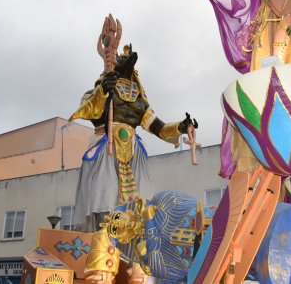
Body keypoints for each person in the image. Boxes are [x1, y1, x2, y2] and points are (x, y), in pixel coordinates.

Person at [69, 45, 198, 231]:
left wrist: (180, 126)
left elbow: (158, 128)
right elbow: (90, 112)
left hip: (132, 151)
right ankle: (103, 239)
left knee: (139, 201)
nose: (126, 60)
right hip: (106, 147)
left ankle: (133, 242)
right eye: (121, 58)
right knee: (104, 194)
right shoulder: (96, 91)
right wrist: (103, 91)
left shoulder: (139, 101)